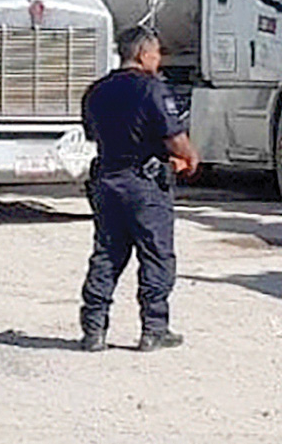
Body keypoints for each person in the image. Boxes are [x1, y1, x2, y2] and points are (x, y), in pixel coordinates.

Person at [79, 26, 200, 352]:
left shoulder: (96, 91)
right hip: (144, 184)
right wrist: (189, 156)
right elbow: (174, 137)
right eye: (157, 53)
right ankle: (154, 330)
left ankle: (93, 329)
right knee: (156, 255)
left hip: (106, 179)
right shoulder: (152, 89)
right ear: (144, 53)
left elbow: (93, 134)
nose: (159, 60)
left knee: (107, 253)